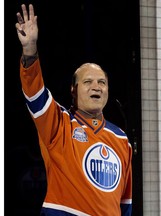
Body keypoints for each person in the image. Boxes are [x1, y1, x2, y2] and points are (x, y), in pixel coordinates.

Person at [15, 4, 133, 216]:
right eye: (88, 81)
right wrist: (30, 51)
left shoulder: (121, 139)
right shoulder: (58, 123)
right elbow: (34, 93)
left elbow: (125, 205)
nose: (96, 87)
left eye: (102, 82)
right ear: (73, 90)